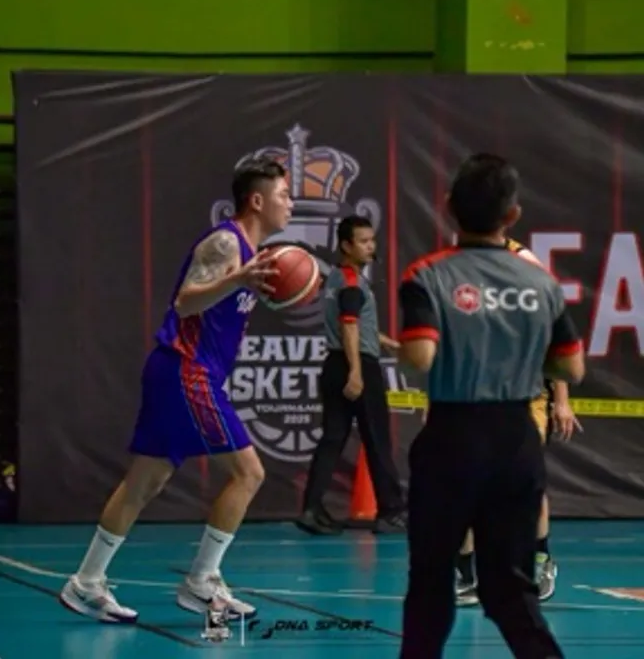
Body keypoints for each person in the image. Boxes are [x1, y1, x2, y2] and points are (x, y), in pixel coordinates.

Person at [59, 158, 292, 623]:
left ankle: (85, 582)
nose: (291, 203)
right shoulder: (226, 242)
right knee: (249, 473)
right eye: (284, 195)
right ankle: (201, 581)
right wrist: (237, 279)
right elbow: (185, 303)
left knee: (145, 482)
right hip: (187, 370)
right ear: (257, 200)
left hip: (179, 371)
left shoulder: (255, 255)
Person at [397, 153, 584, 658]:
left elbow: (419, 358)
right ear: (512, 215)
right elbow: (571, 368)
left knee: (430, 582)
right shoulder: (541, 282)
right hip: (516, 439)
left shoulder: (427, 274)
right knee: (511, 590)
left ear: (448, 206)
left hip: (453, 437)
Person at [455, 238, 582, 606]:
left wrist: (561, 400)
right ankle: (466, 575)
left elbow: (555, 341)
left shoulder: (525, 272)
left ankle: (540, 561)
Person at [296, 215, 407, 536]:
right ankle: (391, 511)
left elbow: (354, 325)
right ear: (346, 245)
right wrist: (356, 371)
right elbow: (348, 327)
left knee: (333, 438)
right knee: (377, 439)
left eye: (372, 240)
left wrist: (386, 342)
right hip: (356, 365)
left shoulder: (335, 278)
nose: (371, 246)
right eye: (363, 241)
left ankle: (311, 508)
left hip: (334, 363)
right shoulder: (352, 283)